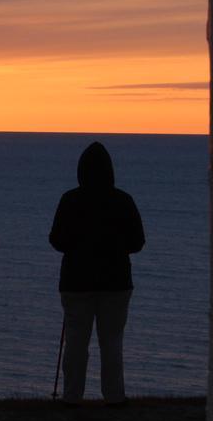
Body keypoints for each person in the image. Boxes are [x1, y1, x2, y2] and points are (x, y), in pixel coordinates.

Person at [49, 141, 145, 406]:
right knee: (112, 343)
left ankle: (71, 398)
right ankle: (114, 398)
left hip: (76, 283)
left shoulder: (70, 200)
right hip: (116, 283)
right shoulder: (123, 200)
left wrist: (78, 244)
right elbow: (137, 242)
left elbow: (56, 240)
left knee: (76, 343)